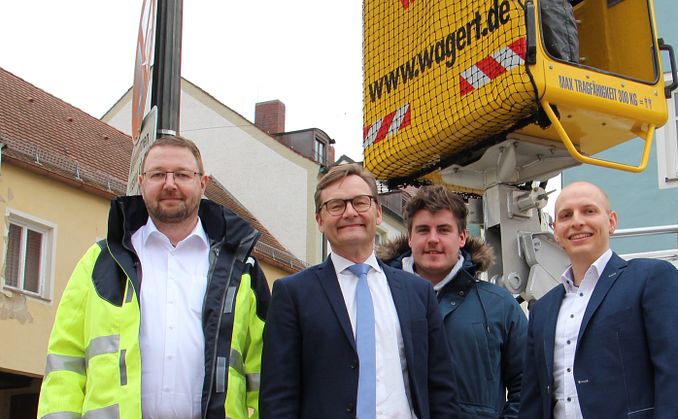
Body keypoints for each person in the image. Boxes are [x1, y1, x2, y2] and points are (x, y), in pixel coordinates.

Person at [37, 136, 270, 419]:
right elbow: (65, 363)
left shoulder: (242, 269)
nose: (170, 184)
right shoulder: (101, 261)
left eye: (182, 174)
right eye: (158, 174)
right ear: (141, 181)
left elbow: (266, 373)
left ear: (202, 183)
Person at [260, 164, 459, 419]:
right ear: (320, 220)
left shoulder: (418, 292)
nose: (350, 212)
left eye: (360, 202)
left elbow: (441, 390)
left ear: (377, 212)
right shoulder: (292, 294)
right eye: (336, 205)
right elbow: (278, 397)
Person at [519, 181, 678, 419]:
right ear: (555, 230)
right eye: (565, 215)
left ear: (611, 222)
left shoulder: (651, 279)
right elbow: (533, 400)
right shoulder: (543, 310)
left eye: (589, 211)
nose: (576, 221)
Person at [378, 185, 527, 418]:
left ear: (462, 237)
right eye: (423, 230)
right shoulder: (379, 298)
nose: (433, 239)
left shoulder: (500, 305)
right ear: (409, 238)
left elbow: (527, 386)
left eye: (444, 230)